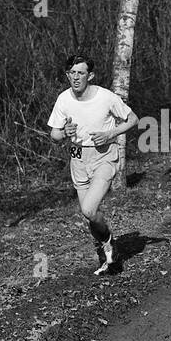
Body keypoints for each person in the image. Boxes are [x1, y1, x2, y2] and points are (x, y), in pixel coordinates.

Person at [48, 55, 139, 274]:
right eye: (72, 73)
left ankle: (109, 244)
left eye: (80, 73)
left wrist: (110, 133)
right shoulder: (63, 99)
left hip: (104, 157)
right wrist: (63, 133)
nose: (75, 77)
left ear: (90, 75)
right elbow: (54, 135)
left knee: (89, 208)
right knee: (89, 214)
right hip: (78, 159)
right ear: (67, 75)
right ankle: (107, 248)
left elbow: (133, 119)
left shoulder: (106, 97)